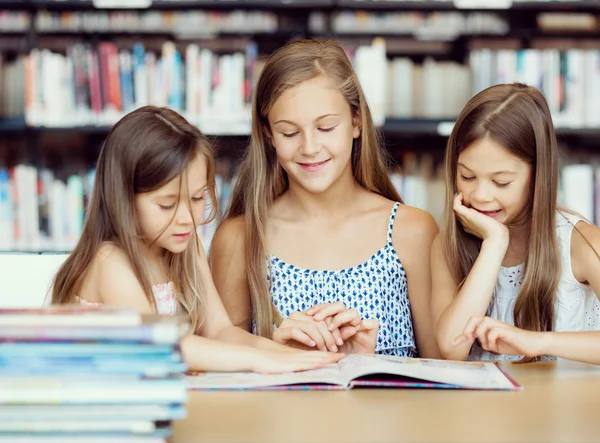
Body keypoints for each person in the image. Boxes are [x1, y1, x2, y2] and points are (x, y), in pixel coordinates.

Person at [51, 106, 343, 373]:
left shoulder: (184, 247)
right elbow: (160, 345)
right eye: (167, 204)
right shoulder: (110, 262)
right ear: (123, 199)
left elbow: (220, 331)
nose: (187, 218)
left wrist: (286, 356)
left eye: (196, 198)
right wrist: (259, 360)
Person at [210, 39, 440, 358]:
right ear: (268, 134)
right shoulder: (241, 238)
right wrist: (274, 352)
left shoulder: (413, 230)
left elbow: (444, 371)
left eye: (327, 127)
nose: (309, 147)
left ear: (356, 122)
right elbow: (222, 365)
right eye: (290, 132)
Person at [431, 83, 600, 364]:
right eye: (467, 176)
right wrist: (494, 244)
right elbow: (451, 346)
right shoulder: (449, 244)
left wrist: (537, 341)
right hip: (486, 408)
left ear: (538, 176)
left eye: (501, 182)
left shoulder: (580, 242)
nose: (481, 196)